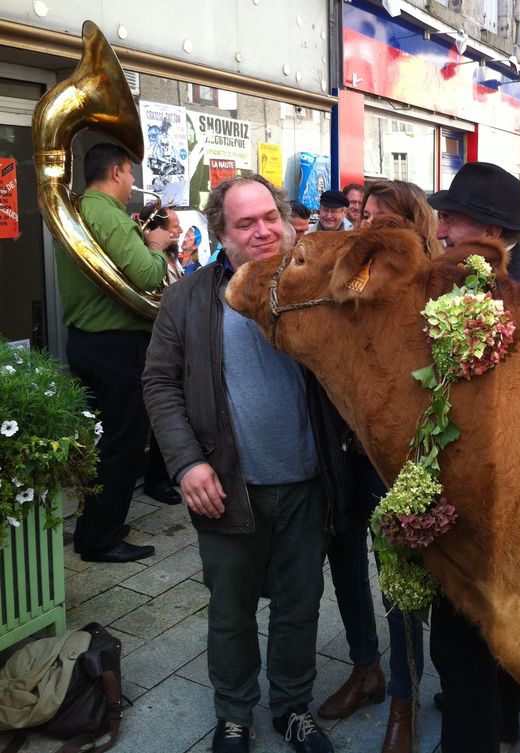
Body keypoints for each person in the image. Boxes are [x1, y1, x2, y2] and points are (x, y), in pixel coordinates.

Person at [143, 175, 347, 753]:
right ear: (221, 235)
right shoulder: (188, 297)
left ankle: (292, 707)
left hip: (309, 481)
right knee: (230, 609)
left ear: (284, 220)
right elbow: (159, 383)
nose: (262, 232)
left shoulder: (319, 289)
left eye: (269, 218)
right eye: (245, 223)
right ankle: (234, 712)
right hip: (228, 486)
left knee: (299, 604)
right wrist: (185, 464)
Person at [427, 161, 520, 753]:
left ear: (490, 228)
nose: (441, 224)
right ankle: (496, 719)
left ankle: (479, 728)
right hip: (485, 492)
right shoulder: (477, 277)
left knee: (466, 639)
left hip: (497, 499)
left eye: (451, 215)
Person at [318, 180, 441, 753]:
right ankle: (365, 668)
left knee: (400, 578)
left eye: (384, 220)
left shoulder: (433, 287)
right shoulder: (349, 273)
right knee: (345, 559)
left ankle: (403, 698)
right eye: (364, 216)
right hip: (346, 450)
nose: (368, 227)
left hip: (402, 458)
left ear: (415, 228)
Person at [54, 142, 170, 562]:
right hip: (117, 345)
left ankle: (95, 525)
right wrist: (156, 243)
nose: (133, 183)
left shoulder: (78, 208)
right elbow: (148, 274)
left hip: (85, 339)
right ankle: (100, 539)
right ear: (118, 172)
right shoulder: (108, 215)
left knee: (100, 444)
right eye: (131, 174)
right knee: (123, 444)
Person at [361, 180, 443, 257]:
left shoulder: (432, 270)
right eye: (366, 216)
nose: (368, 222)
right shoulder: (357, 266)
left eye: (381, 217)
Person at [138, 201, 184, 284]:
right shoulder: (144, 261)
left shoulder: (171, 254)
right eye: (175, 226)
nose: (181, 230)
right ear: (159, 230)